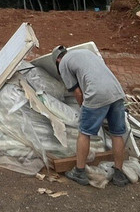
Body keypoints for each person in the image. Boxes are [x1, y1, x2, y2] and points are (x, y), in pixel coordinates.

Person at [54, 46, 130, 187]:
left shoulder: (63, 63)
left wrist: (83, 109)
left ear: (58, 60)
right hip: (116, 92)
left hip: (96, 93)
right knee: (117, 134)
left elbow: (78, 93)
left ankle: (79, 171)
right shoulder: (85, 52)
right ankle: (119, 173)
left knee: (84, 132)